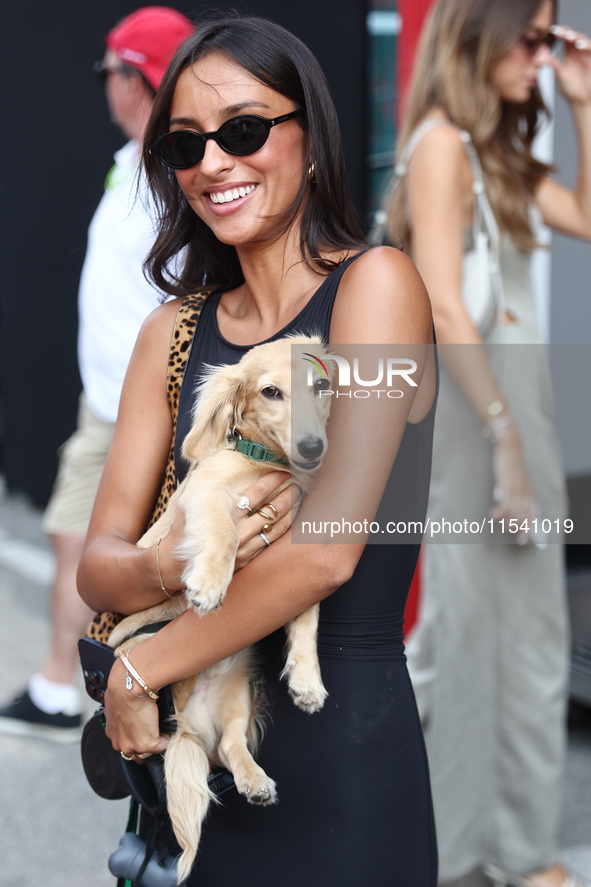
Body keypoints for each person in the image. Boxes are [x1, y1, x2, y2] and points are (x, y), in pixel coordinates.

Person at [77, 14, 438, 887]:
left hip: (342, 771)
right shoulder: (172, 332)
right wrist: (172, 561)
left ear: (309, 137)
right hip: (192, 780)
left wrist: (141, 667)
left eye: (243, 131)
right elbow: (98, 567)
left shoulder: (377, 287)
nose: (212, 164)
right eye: (184, 145)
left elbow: (323, 553)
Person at [380, 1, 591, 885]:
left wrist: (582, 102)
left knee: (531, 641)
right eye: (533, 38)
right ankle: (455, 852)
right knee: (465, 638)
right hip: (476, 429)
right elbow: (440, 300)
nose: (542, 58)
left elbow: (586, 215)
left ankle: (514, 847)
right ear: (482, 35)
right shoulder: (439, 146)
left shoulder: (493, 150)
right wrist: (502, 439)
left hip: (514, 421)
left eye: (550, 40)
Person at [0, 7, 194, 741]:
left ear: (137, 76)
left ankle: (134, 697)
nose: (103, 84)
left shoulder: (178, 171)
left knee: (127, 561)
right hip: (107, 405)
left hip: (145, 414)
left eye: (109, 69)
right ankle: (63, 686)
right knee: (75, 544)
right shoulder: (133, 161)